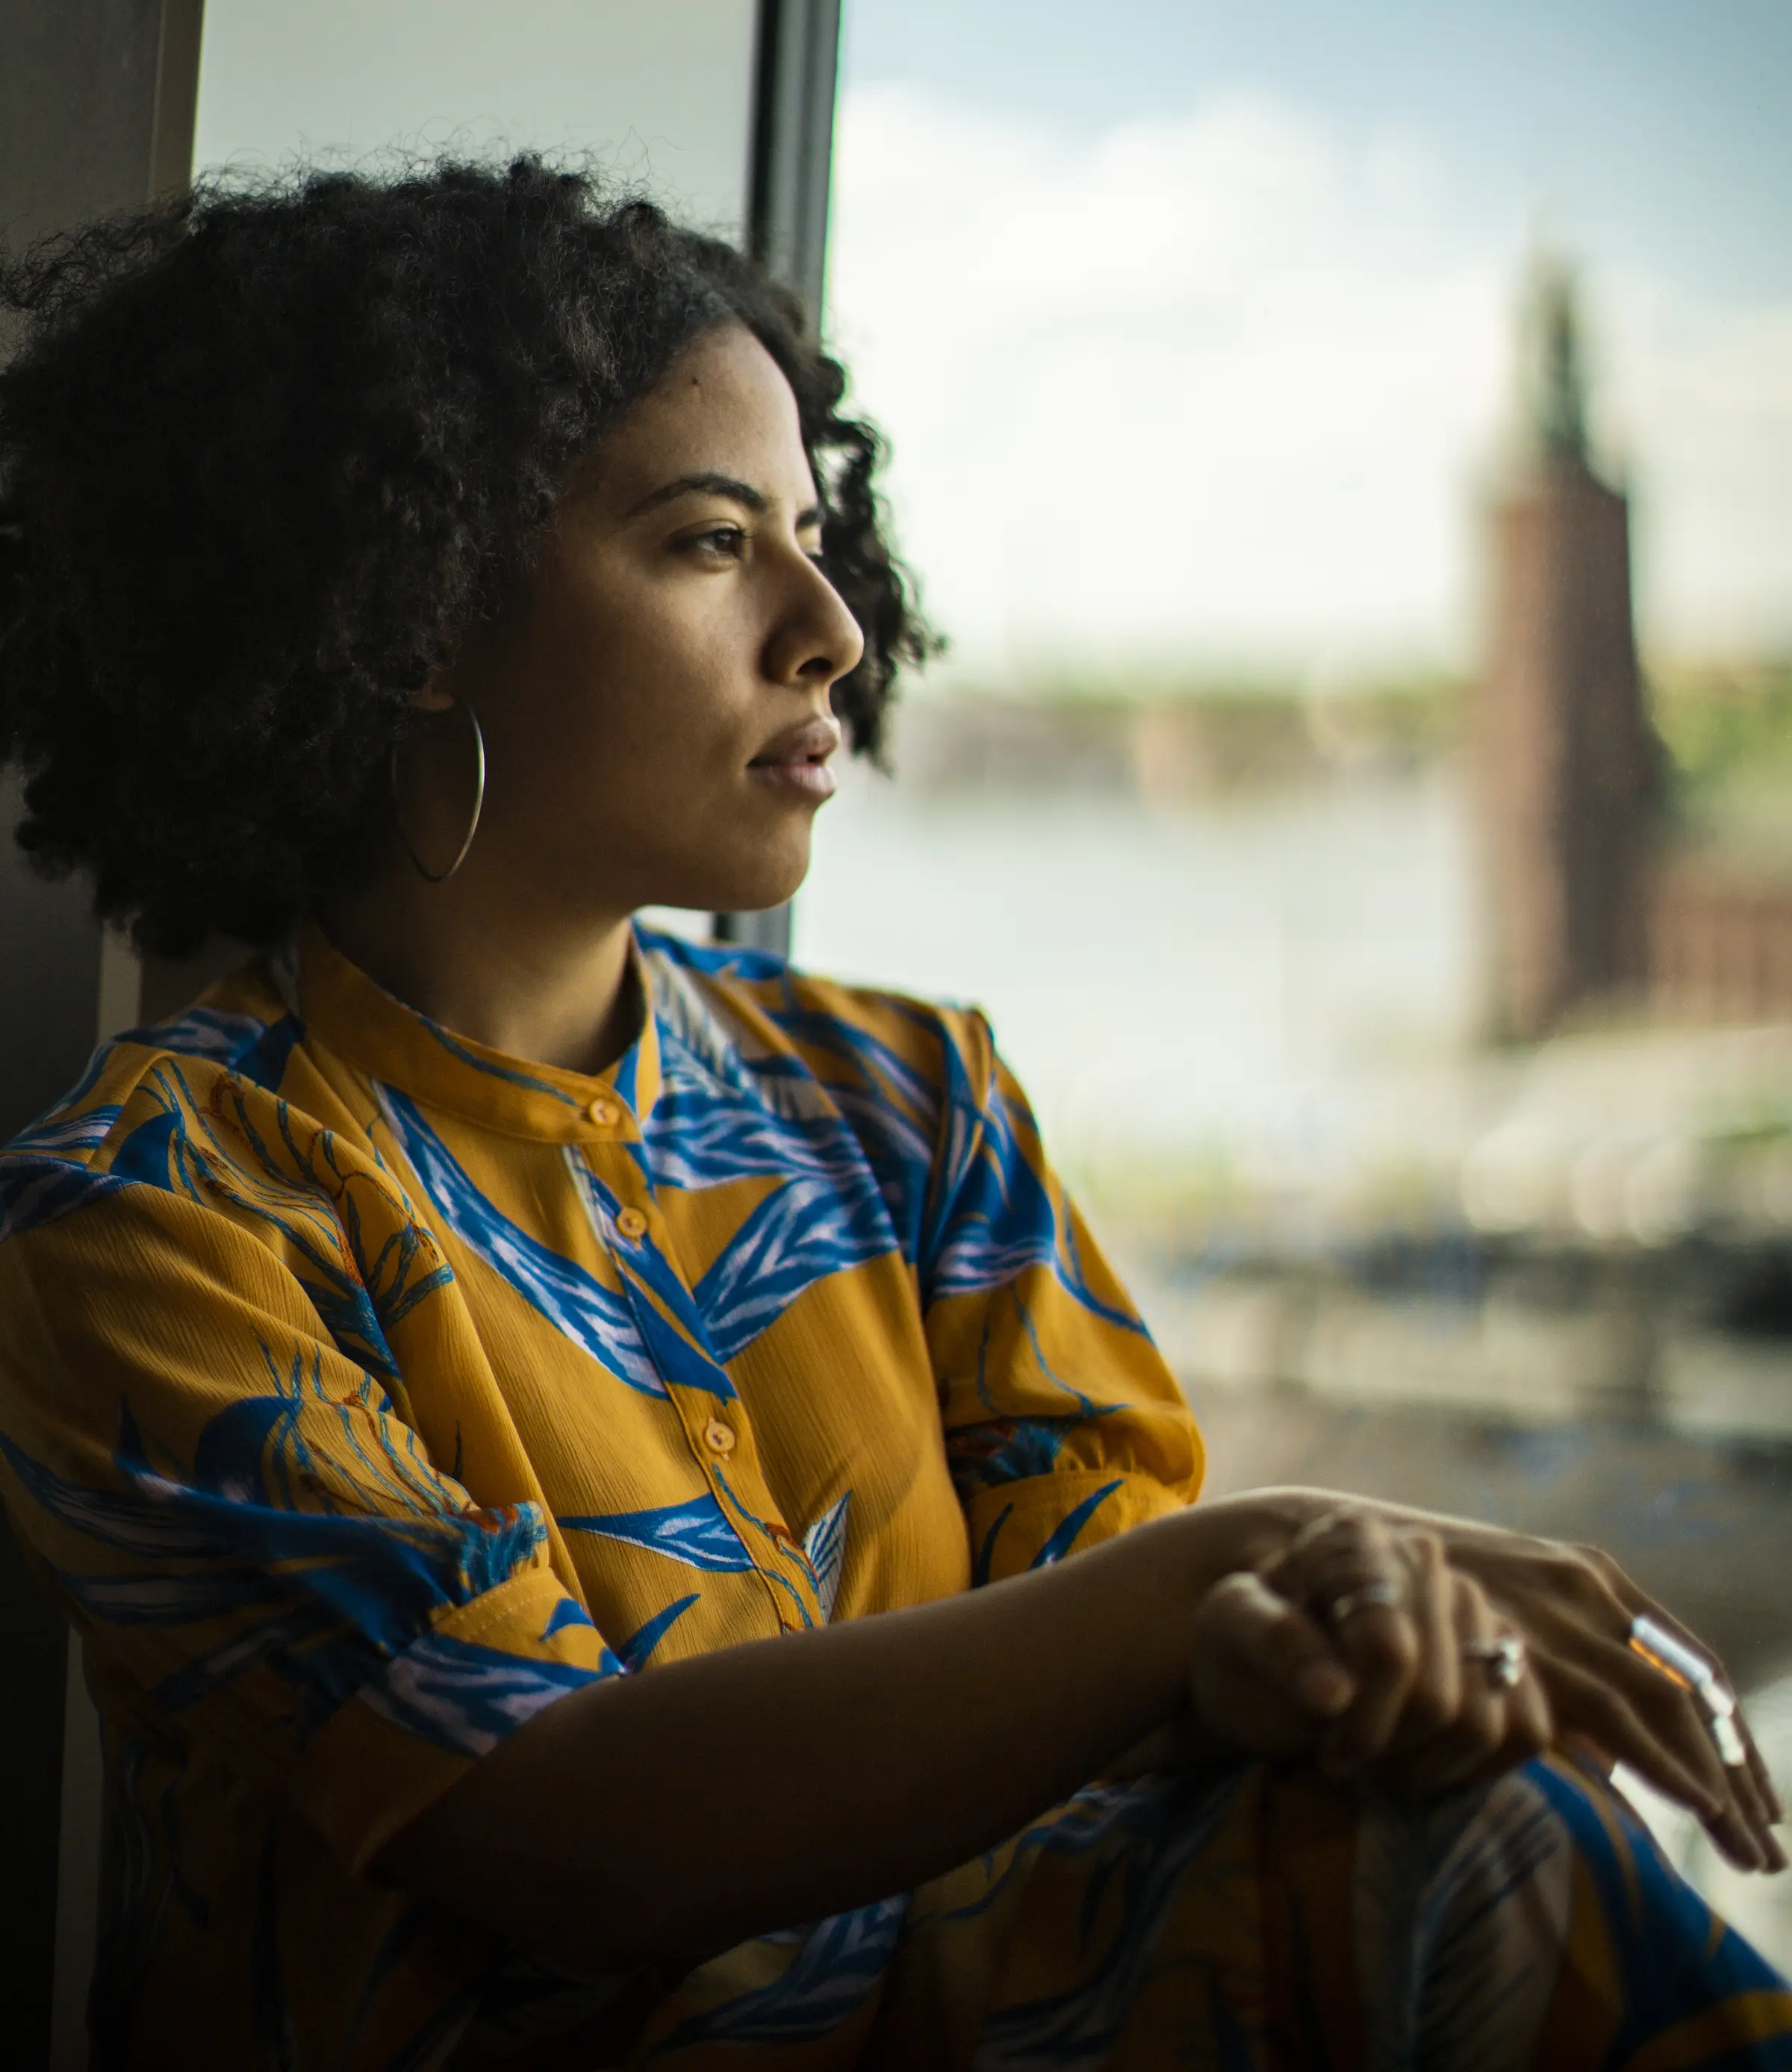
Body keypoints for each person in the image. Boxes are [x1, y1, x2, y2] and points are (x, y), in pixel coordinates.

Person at [0, 158, 1782, 2072]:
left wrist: (1312, 1646)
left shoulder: (911, 1098)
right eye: (708, 543)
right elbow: (558, 1830)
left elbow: (1123, 1640)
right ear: (415, 603)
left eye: (818, 534)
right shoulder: (153, 1222)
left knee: (1477, 1837)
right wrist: (1219, 1574)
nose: (831, 622)